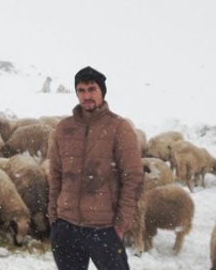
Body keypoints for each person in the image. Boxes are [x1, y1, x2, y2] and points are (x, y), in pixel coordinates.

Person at [47, 66, 144, 270]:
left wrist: (120, 225)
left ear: (102, 92)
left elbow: (133, 177)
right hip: (66, 227)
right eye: (81, 90)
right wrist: (55, 217)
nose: (86, 96)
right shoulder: (64, 128)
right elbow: (55, 174)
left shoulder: (119, 128)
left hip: (104, 229)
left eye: (92, 89)